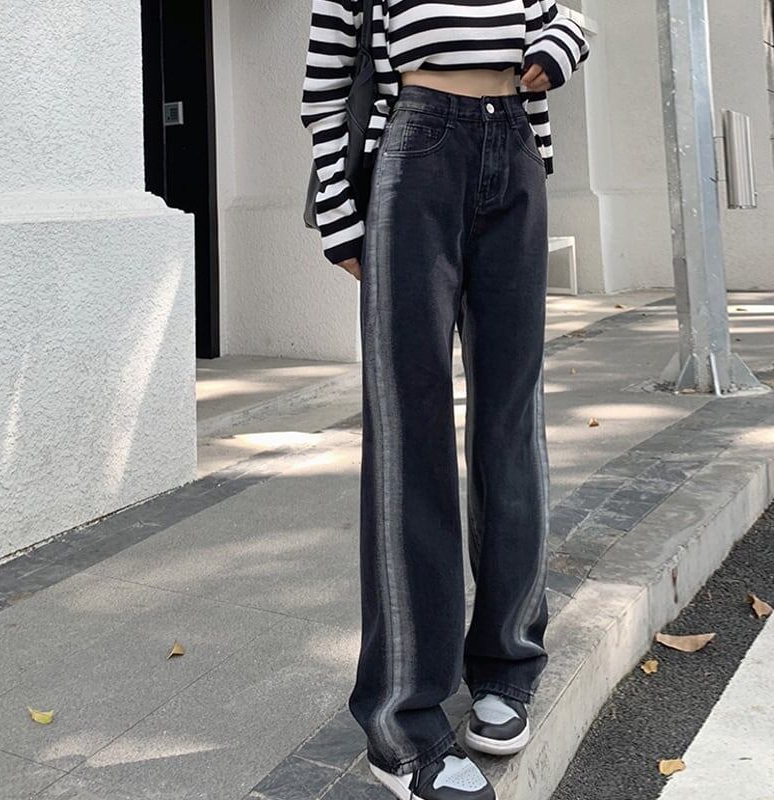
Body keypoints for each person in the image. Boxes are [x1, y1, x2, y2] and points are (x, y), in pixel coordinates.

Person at [301, 3, 590, 798]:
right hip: (416, 151)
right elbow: (325, 88)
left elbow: (564, 18)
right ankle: (402, 723)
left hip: (514, 150)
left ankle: (507, 662)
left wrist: (562, 44)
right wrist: (340, 218)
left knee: (512, 425)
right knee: (410, 435)